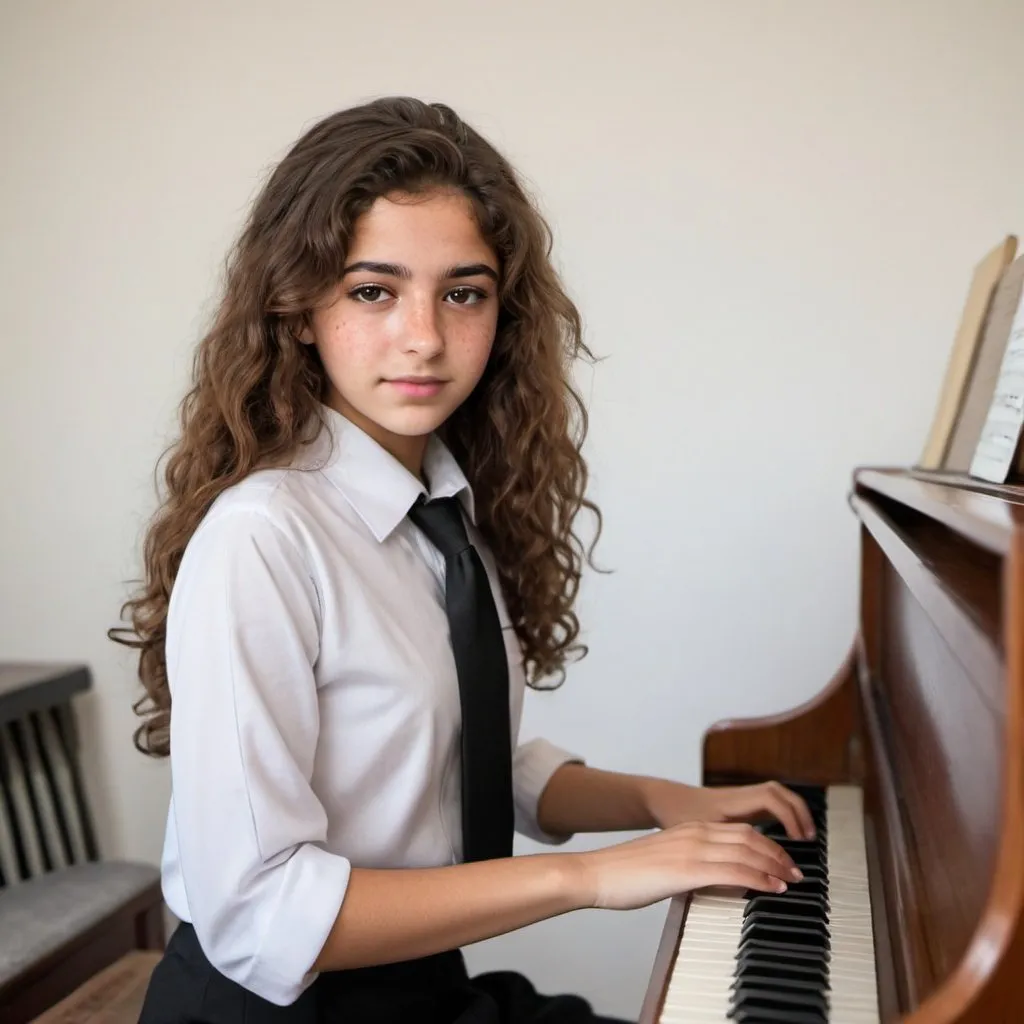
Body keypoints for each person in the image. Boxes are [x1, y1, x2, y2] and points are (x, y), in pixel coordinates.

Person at [110, 96, 814, 1024]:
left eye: (463, 292)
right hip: (282, 1007)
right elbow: (262, 911)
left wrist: (662, 801)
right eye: (373, 290)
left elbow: (459, 754)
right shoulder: (264, 536)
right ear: (298, 308)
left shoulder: (443, 509)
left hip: (420, 990)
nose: (425, 336)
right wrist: (592, 878)